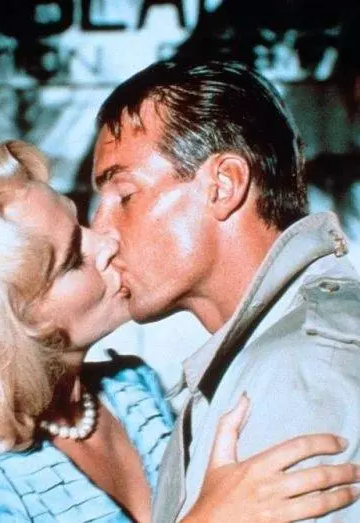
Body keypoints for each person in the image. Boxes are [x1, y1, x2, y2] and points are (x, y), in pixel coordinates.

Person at [0, 140, 358, 522]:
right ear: (9, 324)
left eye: (80, 224)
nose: (107, 242)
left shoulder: (134, 392)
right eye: (72, 259)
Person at [91, 58, 360, 522]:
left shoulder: (299, 371)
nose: (101, 231)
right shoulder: (276, 354)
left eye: (125, 195)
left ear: (224, 184)